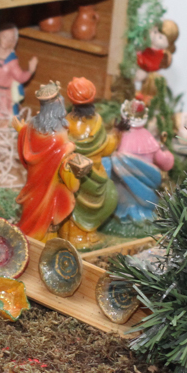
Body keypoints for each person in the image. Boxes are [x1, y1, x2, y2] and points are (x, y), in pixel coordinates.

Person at [13, 82, 78, 240]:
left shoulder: (32, 124)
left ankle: (37, 236)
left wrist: (21, 130)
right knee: (44, 208)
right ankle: (39, 239)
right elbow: (59, 151)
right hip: (47, 180)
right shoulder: (58, 133)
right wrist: (70, 147)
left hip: (39, 180)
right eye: (59, 100)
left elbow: (28, 140)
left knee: (40, 206)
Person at [60, 77, 119, 248]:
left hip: (73, 172)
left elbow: (61, 145)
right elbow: (106, 147)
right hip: (93, 173)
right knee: (107, 195)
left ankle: (74, 234)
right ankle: (82, 236)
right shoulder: (97, 121)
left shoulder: (66, 122)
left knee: (74, 200)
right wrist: (117, 133)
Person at [108, 98, 175, 222]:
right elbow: (166, 163)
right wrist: (165, 151)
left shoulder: (119, 137)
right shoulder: (149, 138)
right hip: (128, 188)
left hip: (129, 188)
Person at [0, 24, 38, 127]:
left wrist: (30, 71)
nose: (7, 41)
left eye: (10, 39)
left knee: (3, 121)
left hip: (3, 97)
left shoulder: (12, 61)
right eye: (5, 37)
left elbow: (20, 77)